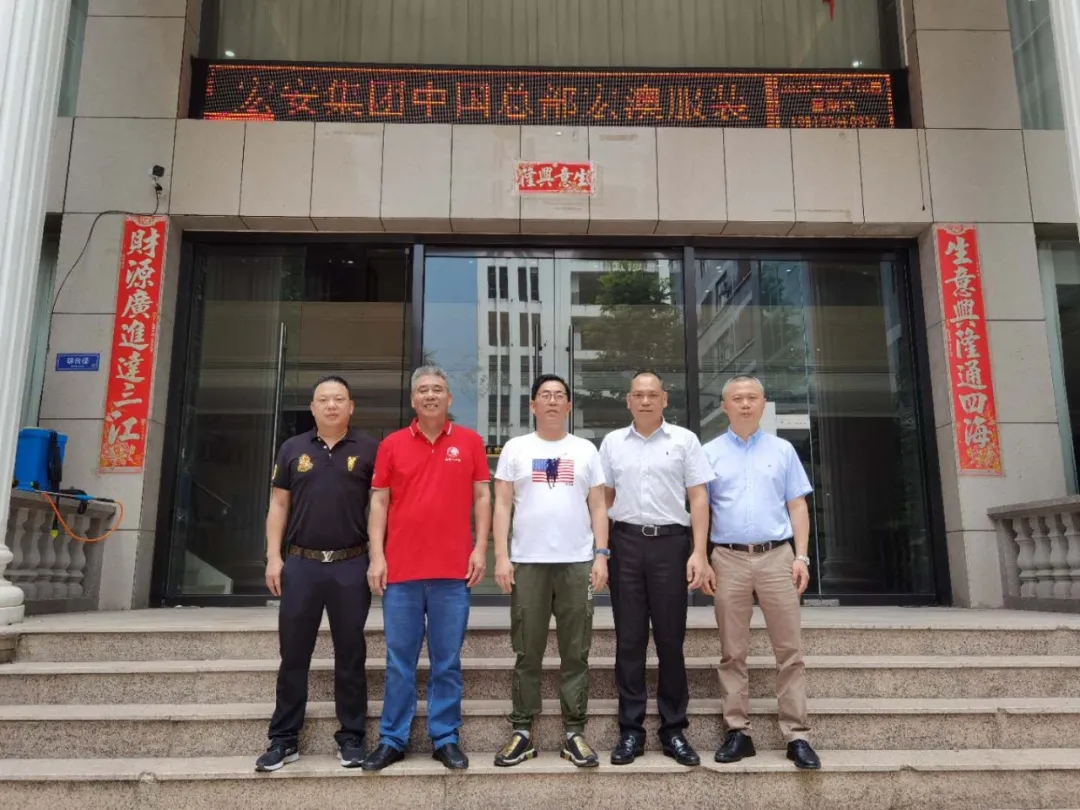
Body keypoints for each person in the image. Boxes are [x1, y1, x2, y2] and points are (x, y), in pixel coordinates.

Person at [361, 366, 491, 772]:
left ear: (449, 398)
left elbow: (482, 497)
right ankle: (392, 739)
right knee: (399, 660)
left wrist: (480, 548)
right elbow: (379, 501)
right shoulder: (392, 444)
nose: (430, 395)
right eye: (423, 390)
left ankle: (445, 737)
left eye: (437, 389)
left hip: (453, 572)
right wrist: (377, 556)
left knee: (446, 660)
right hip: (402, 572)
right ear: (413, 400)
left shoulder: (470, 442)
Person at [256, 375, 379, 772]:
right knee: (293, 653)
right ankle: (283, 739)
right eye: (323, 399)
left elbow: (381, 508)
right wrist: (273, 557)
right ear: (312, 408)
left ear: (351, 406)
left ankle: (352, 737)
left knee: (350, 653)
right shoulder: (293, 448)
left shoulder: (369, 449)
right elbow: (278, 505)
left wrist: (378, 558)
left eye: (338, 399)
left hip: (351, 563)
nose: (331, 405)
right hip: (302, 564)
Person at [703, 375, 821, 770]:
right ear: (725, 406)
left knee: (789, 651)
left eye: (752, 397)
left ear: (763, 402)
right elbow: (700, 510)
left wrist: (801, 557)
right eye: (737, 398)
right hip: (728, 558)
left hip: (777, 557)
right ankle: (738, 732)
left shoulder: (782, 450)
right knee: (732, 651)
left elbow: (797, 506)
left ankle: (797, 735)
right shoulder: (709, 452)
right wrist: (702, 558)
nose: (745, 404)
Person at [491, 374, 609, 768]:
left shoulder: (585, 449)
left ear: (569, 405)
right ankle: (522, 732)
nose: (553, 401)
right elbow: (502, 505)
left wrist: (601, 555)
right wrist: (502, 556)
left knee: (576, 651)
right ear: (533, 405)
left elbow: (598, 506)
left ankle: (574, 733)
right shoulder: (516, 448)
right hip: (528, 563)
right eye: (546, 395)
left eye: (560, 395)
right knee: (527, 650)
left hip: (577, 563)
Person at [599, 371, 714, 767]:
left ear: (664, 399)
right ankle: (631, 731)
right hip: (626, 544)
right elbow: (604, 500)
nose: (645, 400)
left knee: (670, 639)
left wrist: (699, 552)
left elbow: (698, 498)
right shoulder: (613, 443)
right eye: (638, 395)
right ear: (628, 400)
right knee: (629, 640)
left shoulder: (685, 440)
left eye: (652, 394)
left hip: (671, 545)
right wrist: (601, 551)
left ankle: (674, 730)